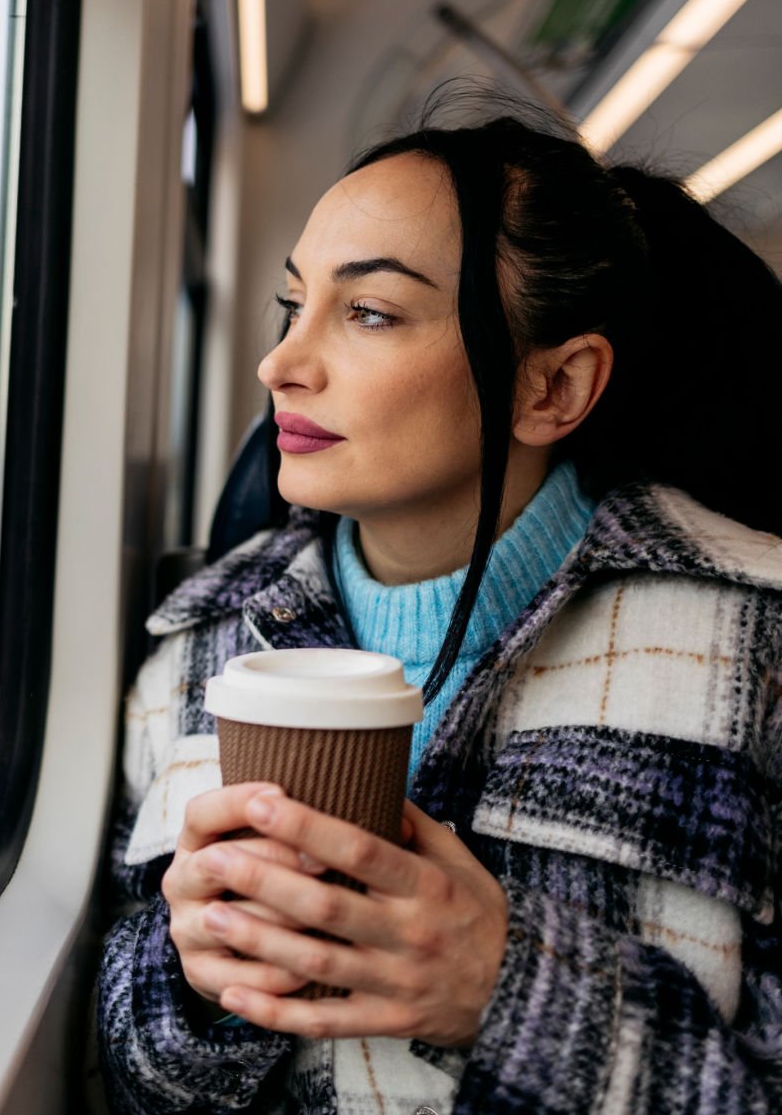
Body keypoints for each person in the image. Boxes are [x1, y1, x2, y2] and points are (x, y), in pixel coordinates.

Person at [97, 113, 782, 1113]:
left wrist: (505, 995)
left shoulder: (756, 644)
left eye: (369, 311)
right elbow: (128, 1075)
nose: (279, 364)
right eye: (293, 305)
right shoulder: (197, 645)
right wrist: (197, 984)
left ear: (552, 386)